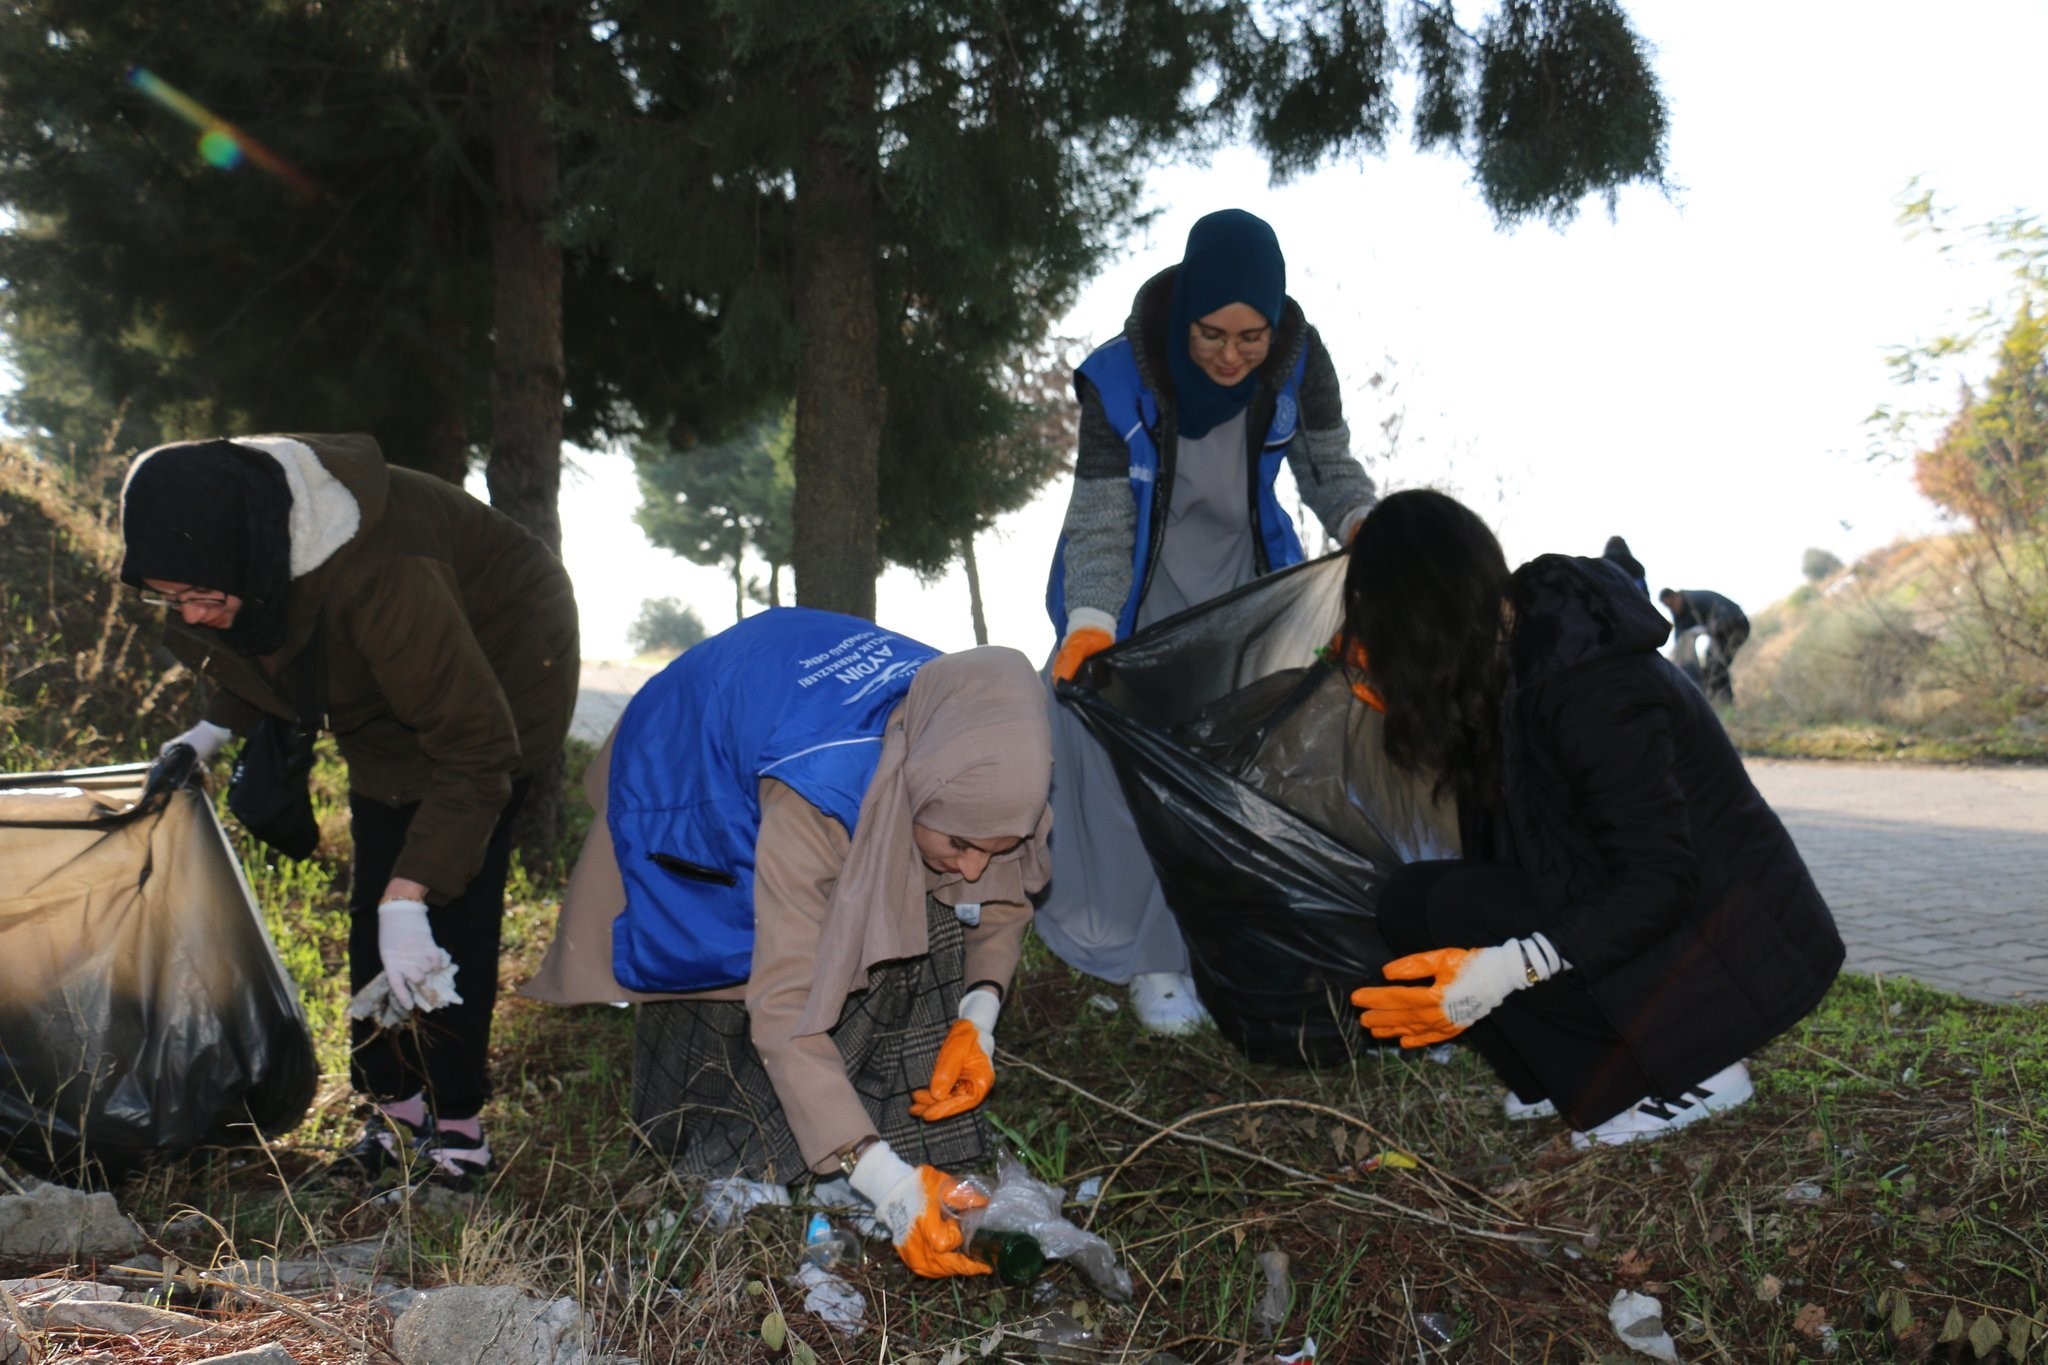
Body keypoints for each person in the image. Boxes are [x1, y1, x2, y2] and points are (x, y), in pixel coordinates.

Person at [524, 608, 1052, 1279]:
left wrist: (979, 1019)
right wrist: (886, 1185)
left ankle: (856, 1142)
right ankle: (738, 1160)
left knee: (938, 917)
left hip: (795, 718)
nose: (976, 866)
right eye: (961, 843)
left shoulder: (982, 741)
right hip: (694, 769)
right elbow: (785, 1012)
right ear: (912, 794)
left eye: (994, 847)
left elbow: (1002, 892)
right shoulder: (816, 798)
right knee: (727, 967)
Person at [119, 434, 578, 1189]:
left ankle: (459, 1130)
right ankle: (393, 1113)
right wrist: (211, 730)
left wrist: (414, 892)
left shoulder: (382, 574)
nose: (192, 616)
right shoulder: (239, 555)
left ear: (254, 560)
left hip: (505, 662)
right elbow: (267, 639)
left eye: (204, 596)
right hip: (383, 679)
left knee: (444, 906)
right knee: (377, 896)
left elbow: (475, 746)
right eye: (174, 598)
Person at [1341, 491, 1842, 1147]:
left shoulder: (1591, 682)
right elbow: (1511, 854)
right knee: (1419, 902)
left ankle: (1705, 1070)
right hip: (1660, 919)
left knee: (1484, 925)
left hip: (1734, 945)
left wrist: (1509, 967)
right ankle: (1584, 1078)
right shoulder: (1513, 665)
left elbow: (1661, 878)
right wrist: (1429, 718)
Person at [1038, 207, 1377, 1034]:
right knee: (1125, 766)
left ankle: (1211, 949)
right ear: (1185, 312)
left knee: (1230, 773)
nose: (1233, 355)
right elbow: (1102, 522)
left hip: (1243, 592)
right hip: (1136, 598)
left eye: (1251, 335)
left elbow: (1328, 470)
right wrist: (1090, 622)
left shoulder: (1298, 361)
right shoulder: (1121, 377)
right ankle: (1145, 961)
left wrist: (1371, 527)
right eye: (1213, 334)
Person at [1659, 587, 1750, 704]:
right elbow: (1679, 639)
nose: (1672, 609)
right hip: (1720, 635)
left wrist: (1710, 629)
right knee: (1711, 664)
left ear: (1677, 596)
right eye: (1668, 607)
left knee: (1716, 665)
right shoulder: (1679, 613)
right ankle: (1718, 701)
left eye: (1672, 604)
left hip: (1736, 625)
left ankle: (1726, 702)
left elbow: (1726, 616)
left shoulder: (1696, 600)